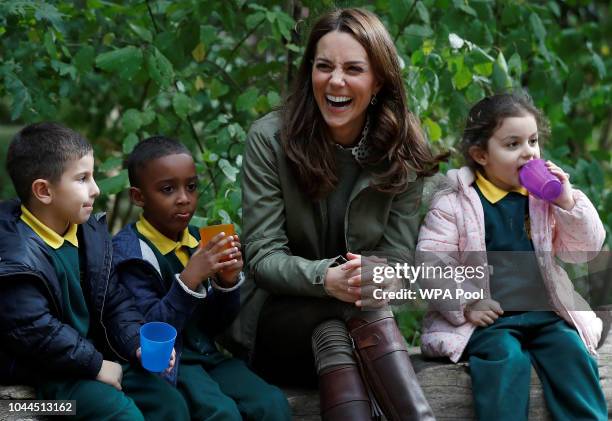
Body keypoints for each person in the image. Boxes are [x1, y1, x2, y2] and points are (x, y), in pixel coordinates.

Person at [226, 8, 446, 421]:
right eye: (324, 66)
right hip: (275, 326)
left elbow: (399, 262)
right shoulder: (270, 139)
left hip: (352, 334)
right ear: (310, 71)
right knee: (353, 308)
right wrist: (328, 279)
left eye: (353, 69)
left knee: (337, 330)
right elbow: (262, 259)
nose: (336, 81)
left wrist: (377, 277)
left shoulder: (402, 149)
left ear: (378, 80)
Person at [417, 92, 608, 420]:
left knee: (572, 353)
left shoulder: (544, 199)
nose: (528, 152)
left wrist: (567, 203)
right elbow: (431, 262)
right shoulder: (454, 203)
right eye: (512, 144)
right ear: (480, 155)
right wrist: (467, 303)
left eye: (533, 141)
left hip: (545, 314)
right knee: (504, 360)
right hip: (491, 321)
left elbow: (585, 249)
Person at [0, 123, 187, 421]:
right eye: (82, 179)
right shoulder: (14, 258)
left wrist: (136, 342)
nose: (96, 189)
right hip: (49, 380)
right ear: (43, 191)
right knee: (123, 416)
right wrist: (97, 366)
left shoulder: (89, 235)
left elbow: (113, 301)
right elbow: (37, 332)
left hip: (91, 357)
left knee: (168, 403)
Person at [112, 136, 291, 421]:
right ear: (138, 197)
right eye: (167, 189)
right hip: (172, 364)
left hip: (208, 355)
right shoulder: (131, 253)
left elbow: (214, 325)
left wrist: (227, 283)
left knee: (271, 403)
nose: (184, 198)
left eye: (191, 187)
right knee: (220, 413)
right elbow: (148, 333)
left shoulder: (199, 240)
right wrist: (188, 280)